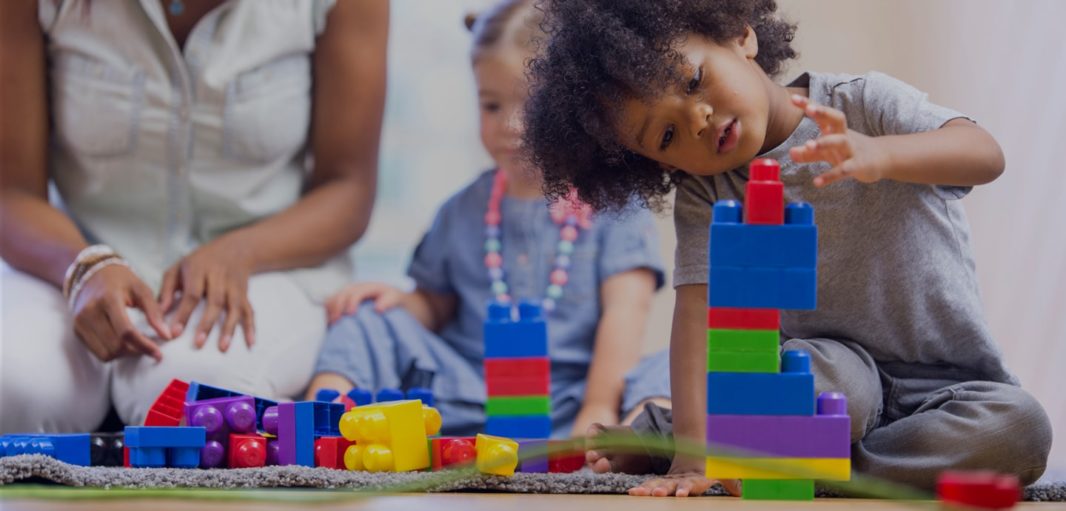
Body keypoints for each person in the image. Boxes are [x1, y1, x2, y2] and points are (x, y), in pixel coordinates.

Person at [521, 0, 1052, 495]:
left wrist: (882, 154)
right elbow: (697, 314)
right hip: (820, 374)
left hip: (945, 388)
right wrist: (693, 456)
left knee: (1019, 429)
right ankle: (724, 447)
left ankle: (799, 467)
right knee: (839, 383)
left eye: (694, 81)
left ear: (740, 36)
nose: (696, 120)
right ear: (661, 164)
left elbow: (985, 154)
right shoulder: (708, 192)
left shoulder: (863, 104)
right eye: (665, 136)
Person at [0, 0, 386, 433]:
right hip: (68, 264)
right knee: (15, 390)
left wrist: (241, 251)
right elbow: (10, 193)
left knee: (198, 397)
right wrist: (84, 266)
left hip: (266, 268)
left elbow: (349, 189)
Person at [307, 0, 670, 438]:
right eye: (492, 105)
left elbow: (624, 315)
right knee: (364, 322)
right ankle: (322, 427)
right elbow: (436, 304)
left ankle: (624, 443)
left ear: (577, 107)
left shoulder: (614, 203)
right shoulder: (464, 208)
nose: (510, 126)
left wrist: (596, 405)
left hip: (574, 400)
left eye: (531, 105)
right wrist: (398, 305)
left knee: (674, 367)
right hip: (469, 395)